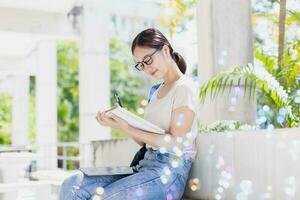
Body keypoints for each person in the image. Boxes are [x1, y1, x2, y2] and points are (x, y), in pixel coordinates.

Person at [59, 28, 198, 200]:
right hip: (145, 166)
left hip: (168, 173)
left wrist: (127, 127)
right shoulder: (156, 92)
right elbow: (144, 141)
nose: (146, 68)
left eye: (148, 60)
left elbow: (175, 143)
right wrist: (119, 123)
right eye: (141, 65)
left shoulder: (184, 88)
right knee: (73, 185)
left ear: (165, 49)